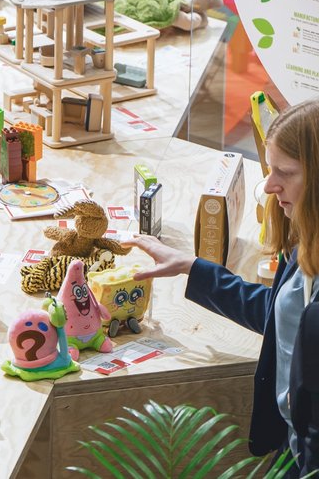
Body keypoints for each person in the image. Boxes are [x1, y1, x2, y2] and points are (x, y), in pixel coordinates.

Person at [123, 99, 319, 475]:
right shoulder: (305, 239)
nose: (269, 185)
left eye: (286, 172)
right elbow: (281, 314)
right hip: (290, 449)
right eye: (270, 169)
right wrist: (192, 267)